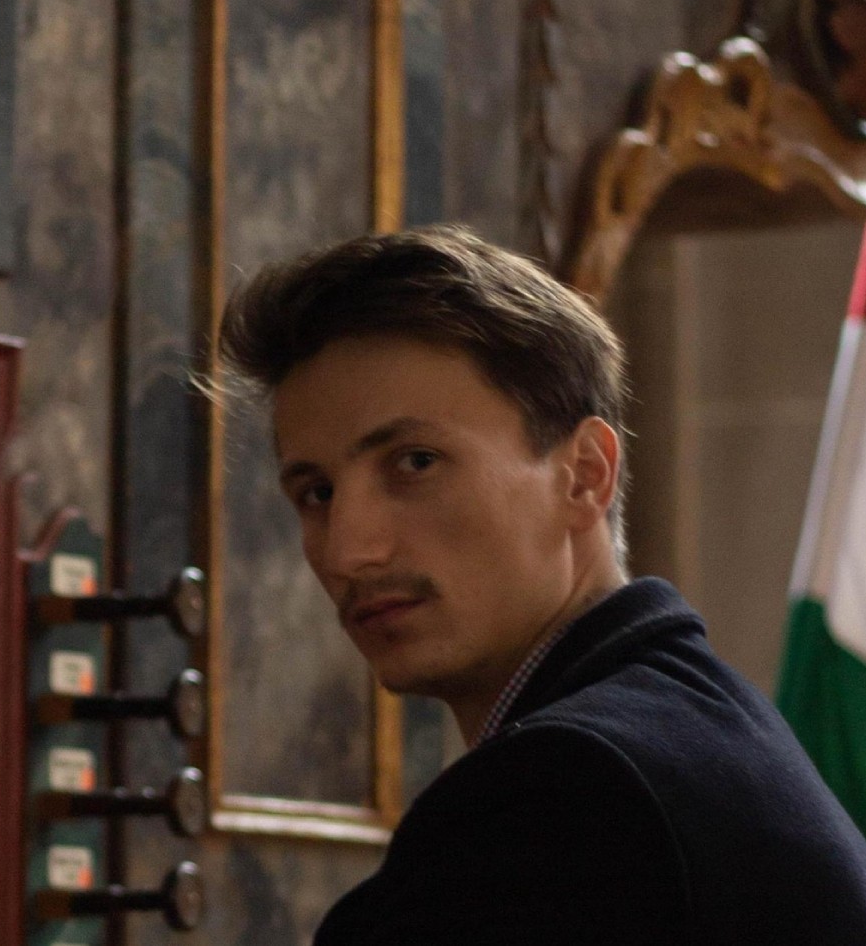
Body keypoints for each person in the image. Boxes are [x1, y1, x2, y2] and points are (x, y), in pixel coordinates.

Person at [215, 226, 866, 945]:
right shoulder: (681, 726)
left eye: (415, 462)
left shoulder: (571, 788)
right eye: (316, 493)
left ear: (584, 475)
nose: (348, 551)